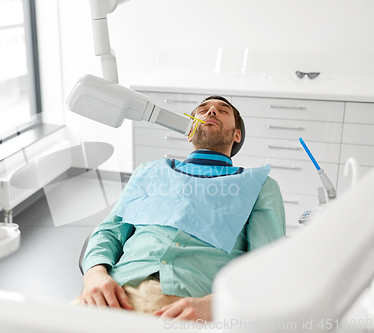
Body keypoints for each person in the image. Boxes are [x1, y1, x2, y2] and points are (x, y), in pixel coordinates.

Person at [72, 96, 286, 321]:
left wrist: (217, 304)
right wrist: (95, 273)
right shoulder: (149, 172)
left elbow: (267, 263)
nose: (211, 111)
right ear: (190, 129)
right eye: (203, 109)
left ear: (237, 134)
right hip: (111, 295)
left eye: (222, 111)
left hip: (191, 308)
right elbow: (110, 230)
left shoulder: (259, 185)